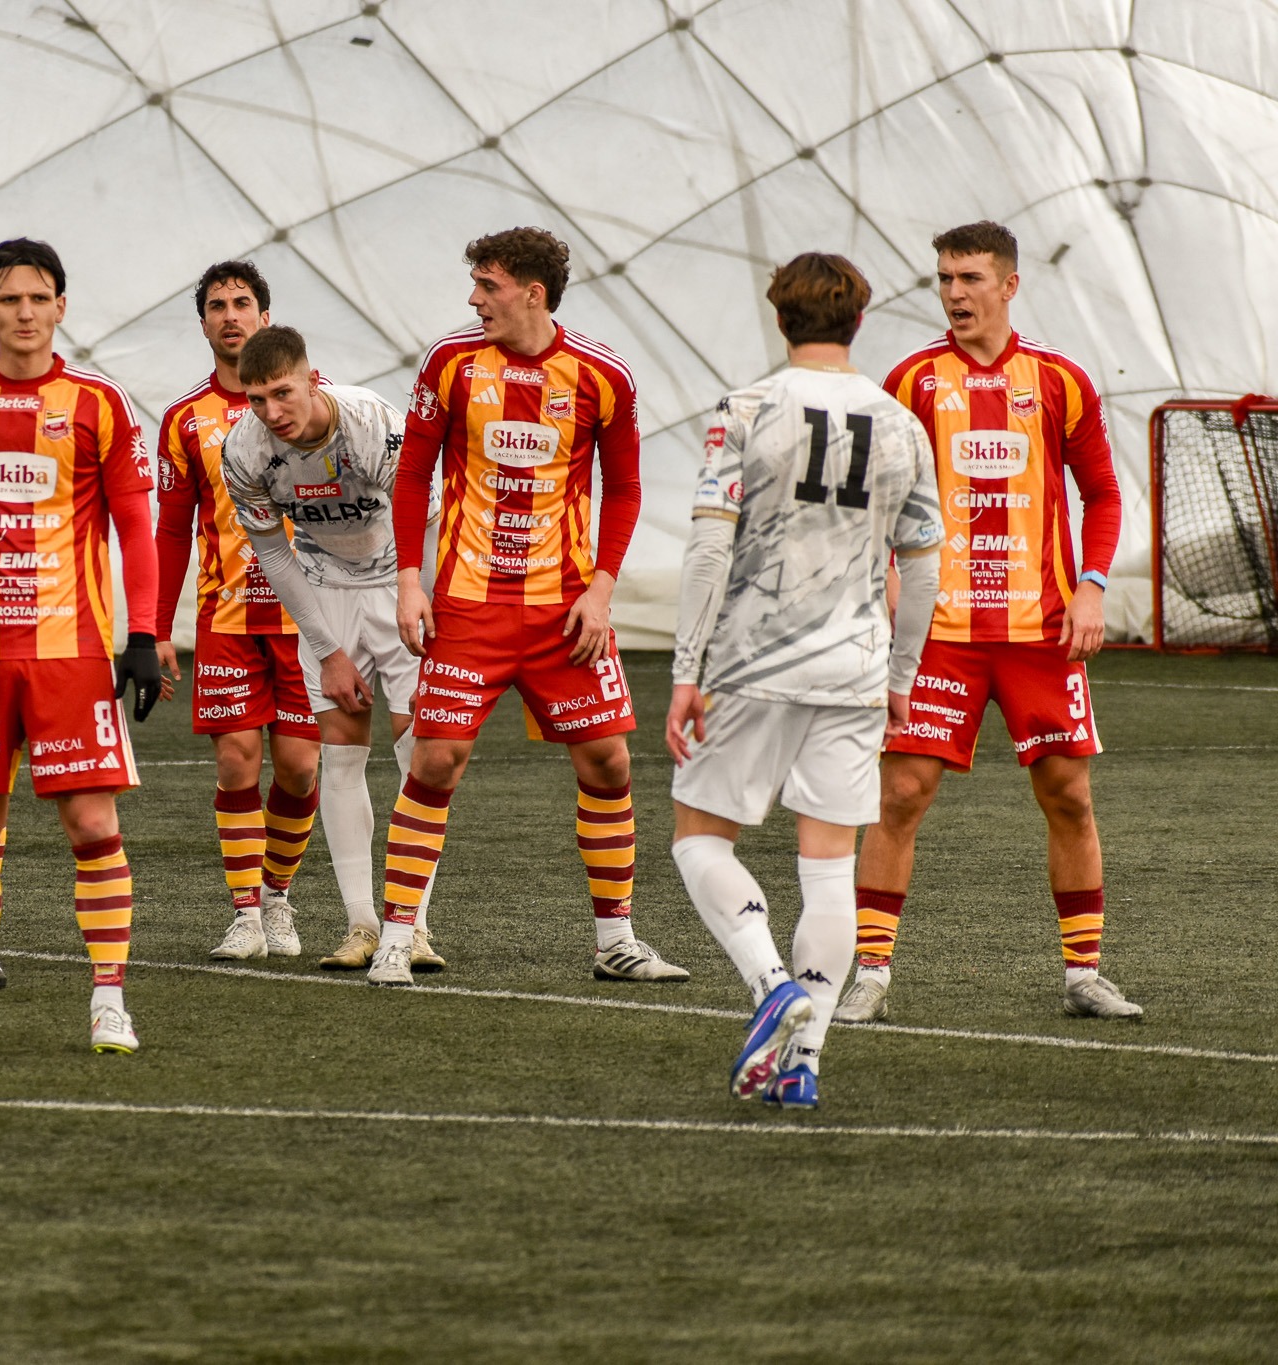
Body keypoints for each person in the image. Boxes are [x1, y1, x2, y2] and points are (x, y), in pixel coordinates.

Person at [835, 221, 1139, 1023]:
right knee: (901, 791)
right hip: (939, 634)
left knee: (1068, 794)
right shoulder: (911, 381)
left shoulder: (1060, 380)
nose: (954, 293)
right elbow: (874, 497)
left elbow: (1103, 493)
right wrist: (887, 576)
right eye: (944, 279)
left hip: (1042, 631)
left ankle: (1083, 975)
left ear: (1009, 284)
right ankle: (870, 970)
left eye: (969, 278)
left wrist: (1093, 587)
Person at [373, 226, 687, 987]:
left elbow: (628, 487)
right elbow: (413, 474)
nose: (473, 299)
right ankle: (395, 937)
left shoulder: (602, 375)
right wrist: (410, 583)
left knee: (609, 762)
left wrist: (603, 588)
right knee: (436, 760)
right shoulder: (449, 364)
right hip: (469, 610)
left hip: (564, 614)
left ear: (532, 293)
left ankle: (616, 940)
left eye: (488, 285)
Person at [667, 253, 942, 1109]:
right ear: (858, 321)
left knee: (699, 837)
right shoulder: (901, 424)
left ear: (779, 317)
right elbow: (925, 567)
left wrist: (686, 668)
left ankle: (771, 985)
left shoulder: (746, 408)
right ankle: (806, 1056)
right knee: (829, 868)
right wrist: (902, 673)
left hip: (754, 657)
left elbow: (711, 543)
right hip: (856, 664)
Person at [0, 238, 159, 1053]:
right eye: (8, 299)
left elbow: (133, 523)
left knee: (91, 822)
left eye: (38, 298)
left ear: (59, 307)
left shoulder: (100, 403)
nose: (23, 312)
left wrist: (145, 633)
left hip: (72, 653)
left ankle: (110, 1000)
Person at [219, 325, 447, 972]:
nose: (271, 412)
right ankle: (361, 925)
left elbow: (426, 521)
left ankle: (415, 926)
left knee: (418, 753)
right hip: (326, 595)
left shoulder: (373, 423)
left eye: (282, 393)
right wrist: (328, 648)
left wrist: (419, 599)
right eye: (256, 399)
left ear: (312, 378)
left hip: (403, 583)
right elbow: (273, 554)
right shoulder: (245, 448)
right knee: (341, 758)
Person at [153, 260, 321, 962]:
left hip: (309, 622)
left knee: (300, 769)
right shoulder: (186, 419)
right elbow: (169, 528)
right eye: (217, 305)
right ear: (202, 324)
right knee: (235, 762)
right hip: (226, 623)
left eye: (242, 302)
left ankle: (279, 896)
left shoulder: (318, 402)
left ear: (266, 316)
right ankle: (248, 912)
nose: (230, 314)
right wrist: (154, 628)